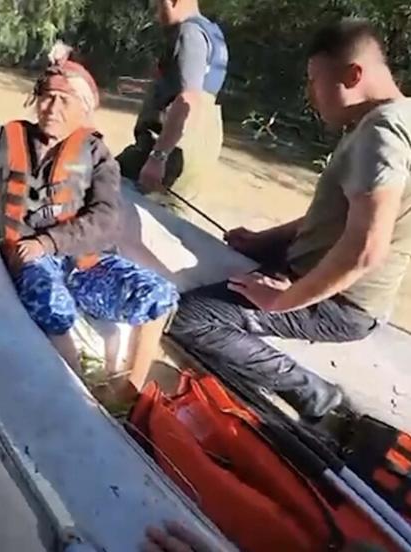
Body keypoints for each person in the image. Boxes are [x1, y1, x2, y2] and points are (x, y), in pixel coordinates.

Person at [168, 19, 411, 420]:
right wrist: (265, 239)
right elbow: (337, 216)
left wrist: (282, 301)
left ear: (353, 75)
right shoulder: (397, 117)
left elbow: (366, 248)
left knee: (190, 319)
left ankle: (315, 394)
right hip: (317, 269)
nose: (311, 95)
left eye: (316, 81)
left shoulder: (381, 133)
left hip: (341, 303)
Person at [0, 42, 178, 398]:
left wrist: (50, 242)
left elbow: (106, 218)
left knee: (160, 295)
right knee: (53, 302)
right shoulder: (5, 138)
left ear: (84, 110)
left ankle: (128, 389)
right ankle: (79, 394)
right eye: (47, 97)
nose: (52, 108)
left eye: (64, 101)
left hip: (83, 260)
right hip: (29, 259)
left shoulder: (98, 156)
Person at [116, 0, 228, 217]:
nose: (156, 14)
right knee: (167, 216)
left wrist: (158, 157)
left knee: (104, 182)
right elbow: (196, 88)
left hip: (171, 148)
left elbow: (188, 98)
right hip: (199, 149)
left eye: (158, 6)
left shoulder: (188, 33)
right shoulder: (212, 33)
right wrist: (140, 86)